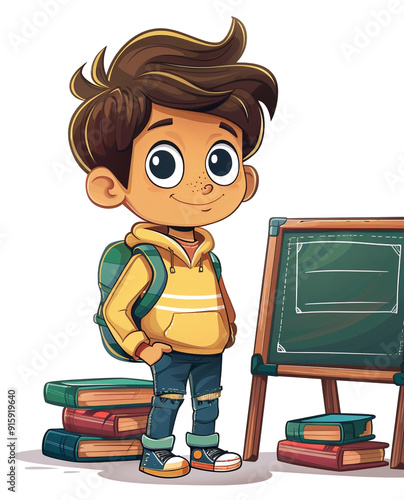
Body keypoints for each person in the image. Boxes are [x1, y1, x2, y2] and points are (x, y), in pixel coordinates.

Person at [68, 18, 278, 478]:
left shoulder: (209, 254)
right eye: (164, 163)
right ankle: (156, 452)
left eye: (220, 160)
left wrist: (230, 328)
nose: (201, 185)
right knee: (166, 399)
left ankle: (205, 449)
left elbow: (220, 296)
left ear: (245, 181)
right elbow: (115, 309)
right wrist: (142, 347)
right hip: (166, 348)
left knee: (210, 400)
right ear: (110, 187)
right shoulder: (147, 257)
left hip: (211, 346)